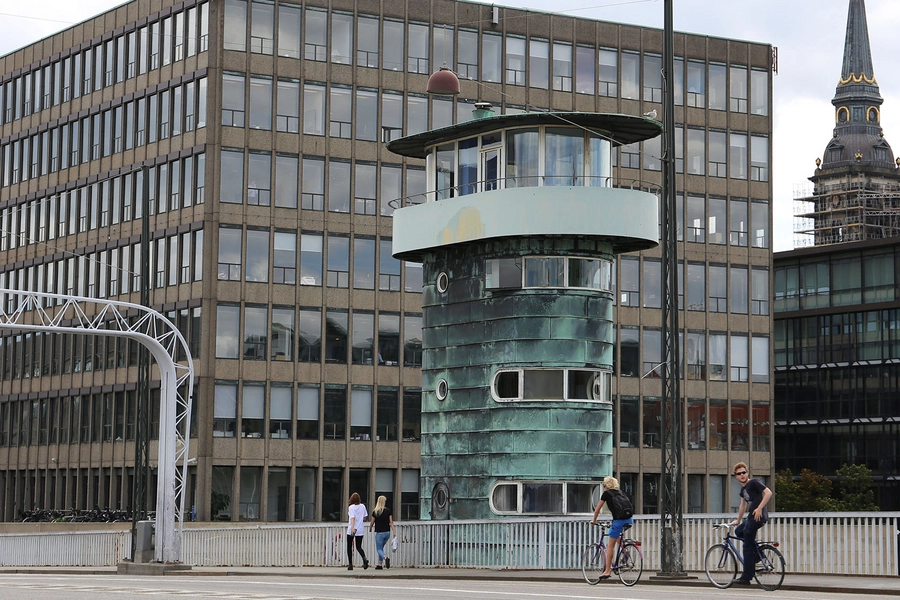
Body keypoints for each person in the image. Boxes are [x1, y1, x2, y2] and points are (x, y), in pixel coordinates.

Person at [730, 462, 773, 585]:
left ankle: (746, 577)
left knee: (747, 546)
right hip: (750, 518)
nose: (742, 475)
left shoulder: (753, 482)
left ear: (747, 473)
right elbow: (742, 505)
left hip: (758, 517)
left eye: (744, 472)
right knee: (739, 531)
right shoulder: (743, 490)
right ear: (736, 477)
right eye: (739, 474)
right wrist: (738, 520)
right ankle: (758, 554)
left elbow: (768, 492)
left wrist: (759, 508)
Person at [590, 476, 634, 580]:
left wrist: (594, 521)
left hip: (618, 521)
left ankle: (607, 571)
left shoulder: (606, 494)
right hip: (629, 520)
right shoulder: (621, 492)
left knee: (610, 546)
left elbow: (597, 510)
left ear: (606, 485)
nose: (604, 486)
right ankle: (624, 549)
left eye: (604, 484)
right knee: (613, 533)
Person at [369, 495, 396, 570]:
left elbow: (372, 522)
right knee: (381, 548)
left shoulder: (375, 511)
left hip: (379, 533)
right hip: (387, 532)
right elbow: (391, 522)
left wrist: (370, 528)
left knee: (379, 549)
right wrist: (394, 532)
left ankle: (385, 558)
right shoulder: (388, 511)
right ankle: (379, 564)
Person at [346, 492, 369, 570]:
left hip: (351, 529)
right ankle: (364, 558)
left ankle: (350, 565)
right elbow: (365, 517)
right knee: (358, 546)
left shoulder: (351, 507)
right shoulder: (362, 506)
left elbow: (352, 518)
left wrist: (352, 528)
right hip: (360, 529)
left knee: (349, 546)